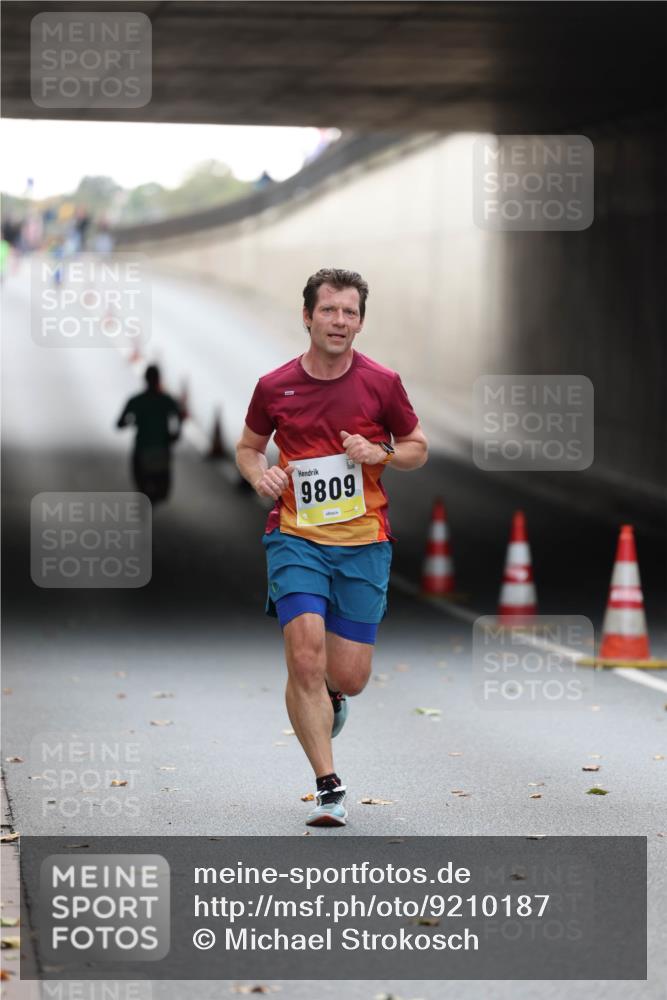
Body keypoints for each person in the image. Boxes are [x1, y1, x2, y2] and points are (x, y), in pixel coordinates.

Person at [236, 268, 428, 827]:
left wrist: (380, 453)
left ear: (360, 322)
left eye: (349, 313)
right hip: (295, 537)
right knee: (304, 656)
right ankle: (327, 785)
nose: (339, 321)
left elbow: (417, 447)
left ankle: (331, 697)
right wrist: (259, 477)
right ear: (307, 317)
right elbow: (249, 448)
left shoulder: (381, 383)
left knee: (349, 675)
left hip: (363, 542)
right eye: (329, 310)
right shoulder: (274, 387)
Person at [116, 365, 182, 504]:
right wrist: (176, 433)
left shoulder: (136, 400)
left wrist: (131, 421)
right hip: (162, 447)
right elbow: (180, 415)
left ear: (145, 379)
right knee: (163, 490)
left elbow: (120, 423)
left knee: (140, 481)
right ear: (158, 379)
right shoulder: (166, 400)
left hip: (142, 447)